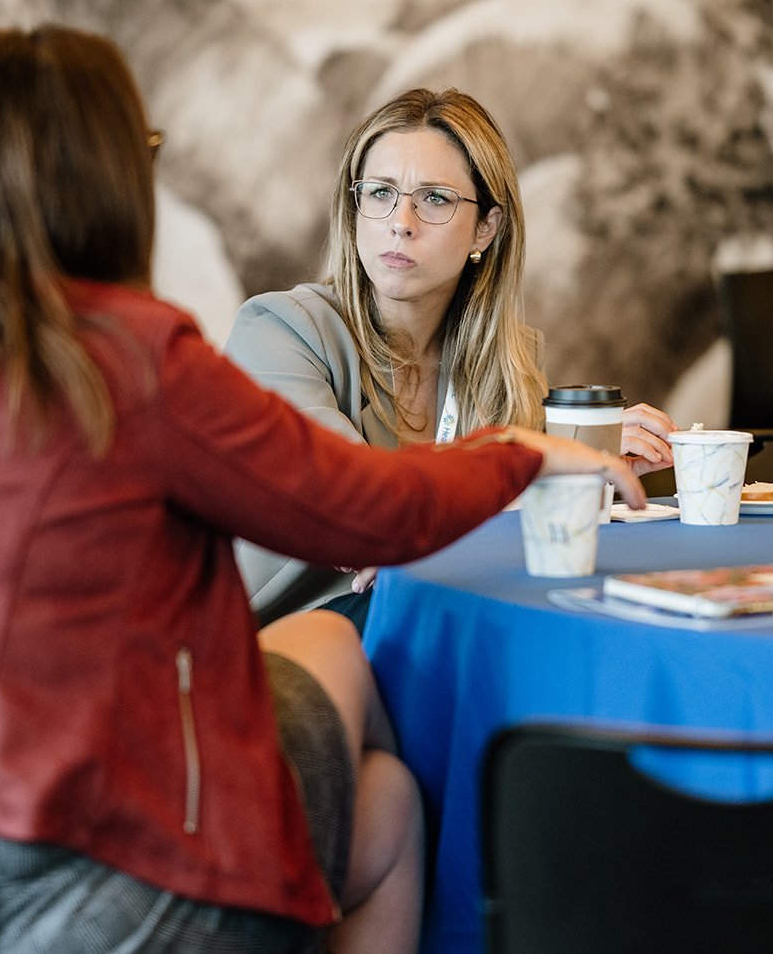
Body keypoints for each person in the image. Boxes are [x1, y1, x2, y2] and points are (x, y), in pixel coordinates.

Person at [0, 26, 642, 953]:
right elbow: (361, 511)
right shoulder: (128, 353)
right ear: (106, 183)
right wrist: (522, 452)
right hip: (109, 892)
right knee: (383, 785)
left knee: (364, 767)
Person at [226, 87, 676, 620]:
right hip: (284, 643)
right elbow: (354, 508)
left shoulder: (504, 363)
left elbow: (503, 533)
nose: (401, 221)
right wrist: (533, 465)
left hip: (439, 623)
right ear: (354, 210)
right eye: (380, 192)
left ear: (485, 228)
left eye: (435, 199)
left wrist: (586, 466)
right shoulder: (277, 331)